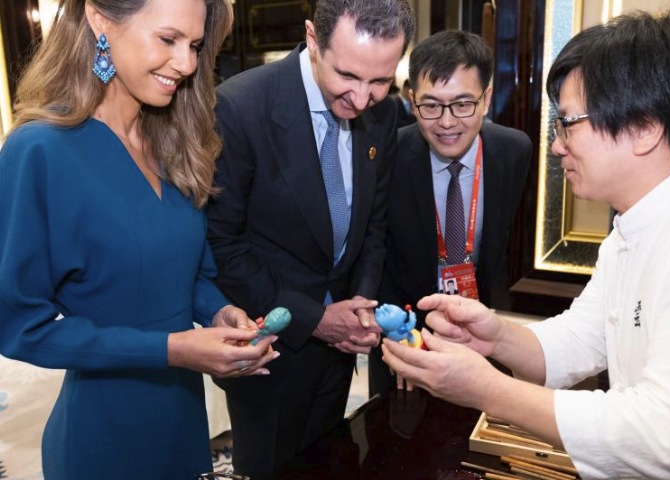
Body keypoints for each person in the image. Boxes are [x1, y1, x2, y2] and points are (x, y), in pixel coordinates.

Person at [382, 12, 670, 480]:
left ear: (645, 128)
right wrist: (494, 335)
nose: (557, 146)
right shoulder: (632, 228)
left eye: (568, 123)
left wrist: (486, 389)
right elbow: (582, 338)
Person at [0, 1, 279, 479]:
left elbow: (189, 274)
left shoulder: (173, 139)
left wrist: (218, 311)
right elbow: (19, 326)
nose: (188, 63)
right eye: (168, 40)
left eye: (194, 46)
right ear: (100, 20)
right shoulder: (39, 151)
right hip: (104, 437)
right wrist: (172, 349)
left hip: (184, 423)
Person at [205, 0, 415, 477]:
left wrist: (360, 302)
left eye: (380, 80)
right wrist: (317, 320)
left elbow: (373, 225)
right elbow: (223, 246)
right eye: (348, 76)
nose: (362, 99)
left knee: (330, 462)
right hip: (273, 350)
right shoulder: (240, 108)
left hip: (341, 351)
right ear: (313, 39)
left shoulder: (383, 116)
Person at [369, 30, 531, 396]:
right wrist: (397, 338)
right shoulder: (387, 156)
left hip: (481, 331)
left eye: (462, 104)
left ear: (486, 99)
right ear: (412, 102)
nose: (446, 122)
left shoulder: (514, 152)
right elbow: (376, 248)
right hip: (405, 335)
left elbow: (502, 245)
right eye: (431, 105)